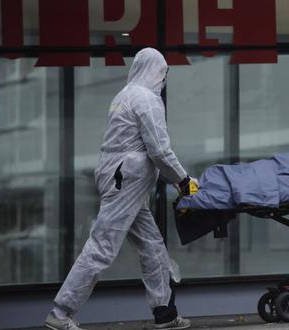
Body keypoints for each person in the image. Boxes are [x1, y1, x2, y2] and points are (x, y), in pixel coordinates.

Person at [44, 48, 193, 330]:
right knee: (103, 245)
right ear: (157, 71)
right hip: (128, 180)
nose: (163, 78)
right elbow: (159, 150)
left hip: (119, 177)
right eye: (163, 72)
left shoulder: (123, 95)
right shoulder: (147, 100)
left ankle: (165, 313)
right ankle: (60, 313)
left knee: (151, 245)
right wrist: (183, 180)